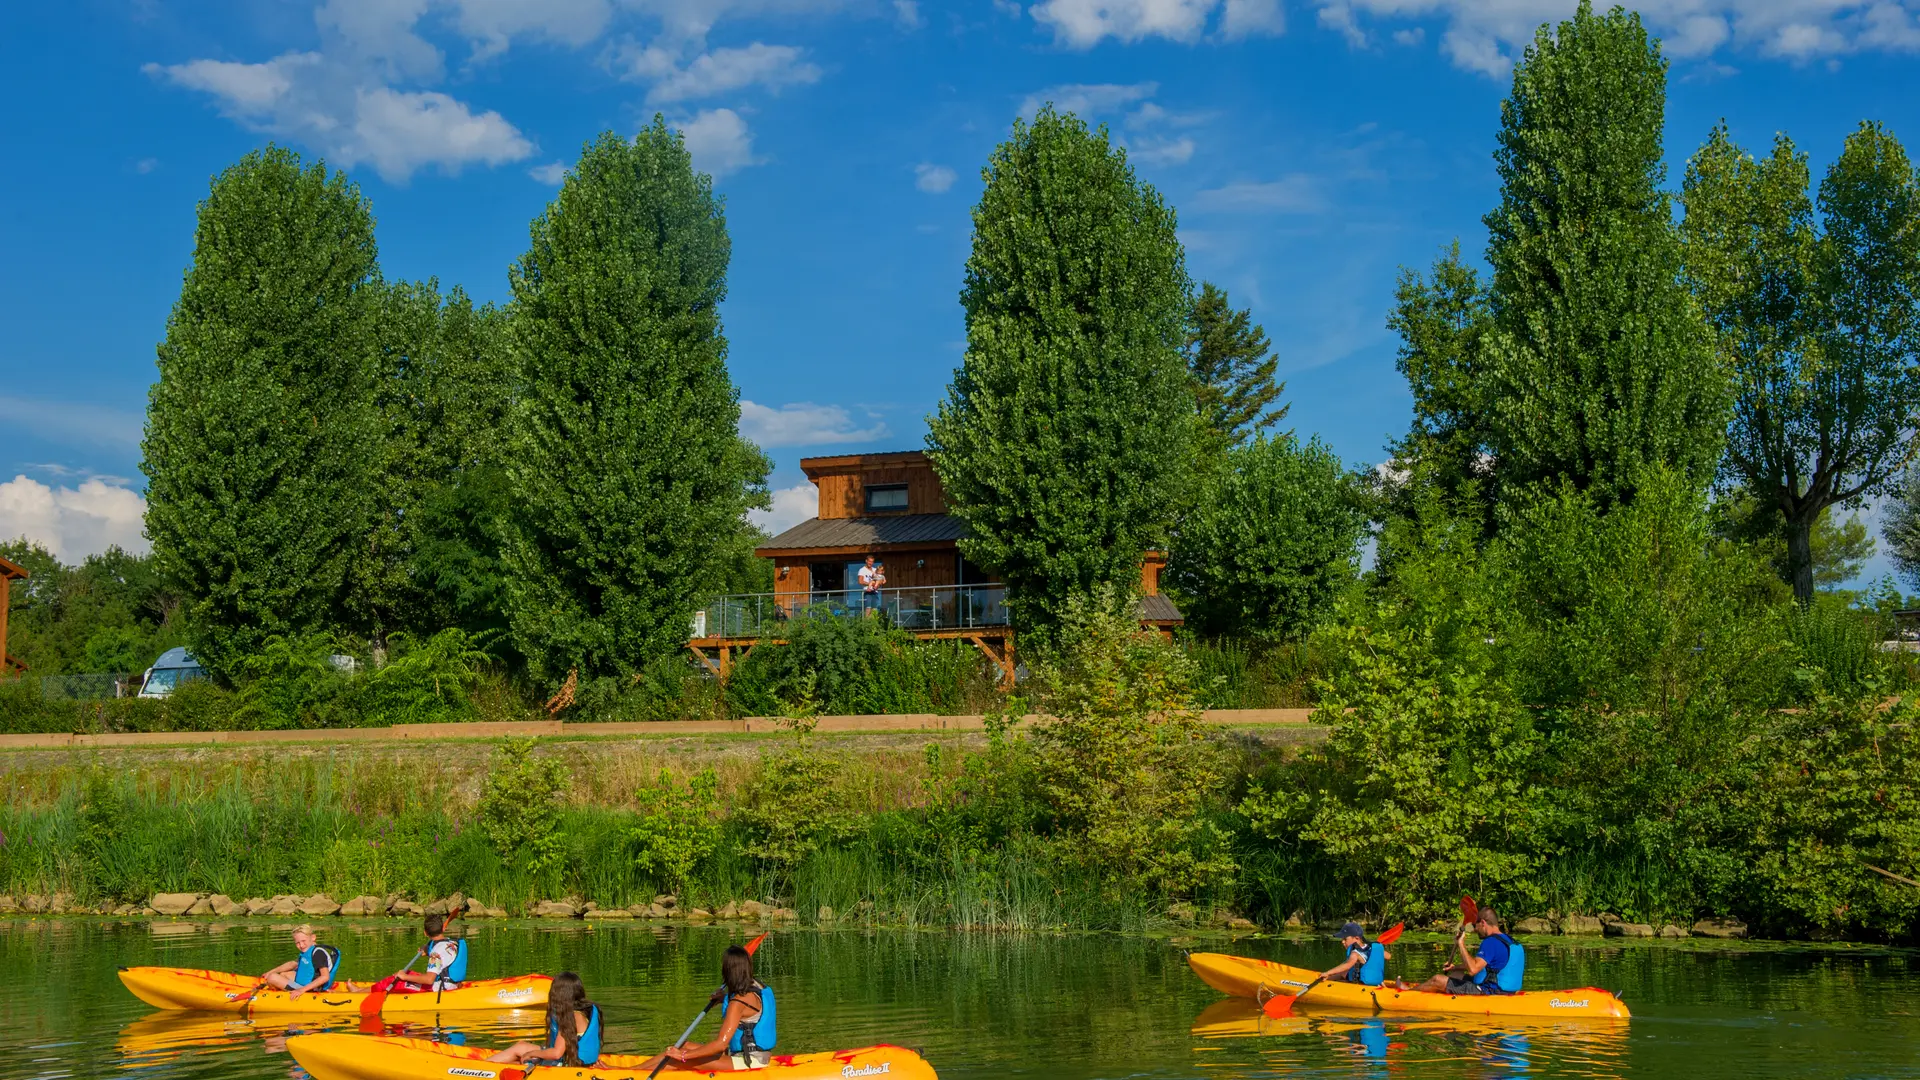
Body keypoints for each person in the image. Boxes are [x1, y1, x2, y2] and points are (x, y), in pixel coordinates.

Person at [648, 945, 776, 1072]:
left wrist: (682, 1056)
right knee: (684, 1044)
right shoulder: (758, 986)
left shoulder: (737, 1003)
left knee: (675, 1060)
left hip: (749, 1061)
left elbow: (720, 1045)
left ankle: (634, 1073)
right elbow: (749, 1008)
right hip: (751, 1056)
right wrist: (724, 998)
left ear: (728, 972)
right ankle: (632, 1069)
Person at [1403, 907, 1525, 995]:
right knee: (1457, 975)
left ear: (1482, 923)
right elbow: (1484, 966)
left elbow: (1473, 970)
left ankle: (1406, 995)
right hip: (1508, 991)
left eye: (1474, 925)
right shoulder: (1510, 941)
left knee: (1437, 979)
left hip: (1491, 992)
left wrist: (1461, 943)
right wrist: (1455, 967)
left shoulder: (1490, 942)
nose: (1474, 930)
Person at [487, 972, 601, 1066]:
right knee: (521, 1046)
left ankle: (482, 1068)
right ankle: (485, 1065)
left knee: (519, 1059)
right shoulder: (585, 1011)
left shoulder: (571, 1017)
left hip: (571, 1066)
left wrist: (532, 1054)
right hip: (574, 1060)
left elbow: (556, 1053)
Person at [344, 911, 468, 994]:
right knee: (406, 973)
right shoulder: (452, 943)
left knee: (395, 980)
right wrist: (428, 950)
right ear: (443, 928)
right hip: (450, 984)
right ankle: (367, 989)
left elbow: (429, 979)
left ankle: (358, 993)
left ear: (425, 933)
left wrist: (404, 977)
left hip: (439, 988)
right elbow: (441, 955)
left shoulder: (436, 953)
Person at [261, 925, 339, 1000]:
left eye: (303, 941)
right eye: (297, 943)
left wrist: (301, 990)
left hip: (311, 989)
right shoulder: (308, 950)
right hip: (306, 983)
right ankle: (283, 991)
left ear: (313, 938)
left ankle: (280, 996)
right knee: (284, 974)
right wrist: (269, 972)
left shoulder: (318, 953)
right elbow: (292, 964)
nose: (301, 945)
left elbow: (325, 977)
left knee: (272, 977)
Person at [1320, 921, 1389, 987]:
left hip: (1361, 987)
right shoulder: (1371, 949)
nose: (1342, 942)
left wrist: (1328, 973)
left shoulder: (1355, 954)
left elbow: (1347, 965)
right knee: (1343, 975)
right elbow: (1388, 956)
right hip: (1374, 984)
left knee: (1342, 976)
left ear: (1356, 938)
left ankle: (1324, 981)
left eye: (1345, 939)